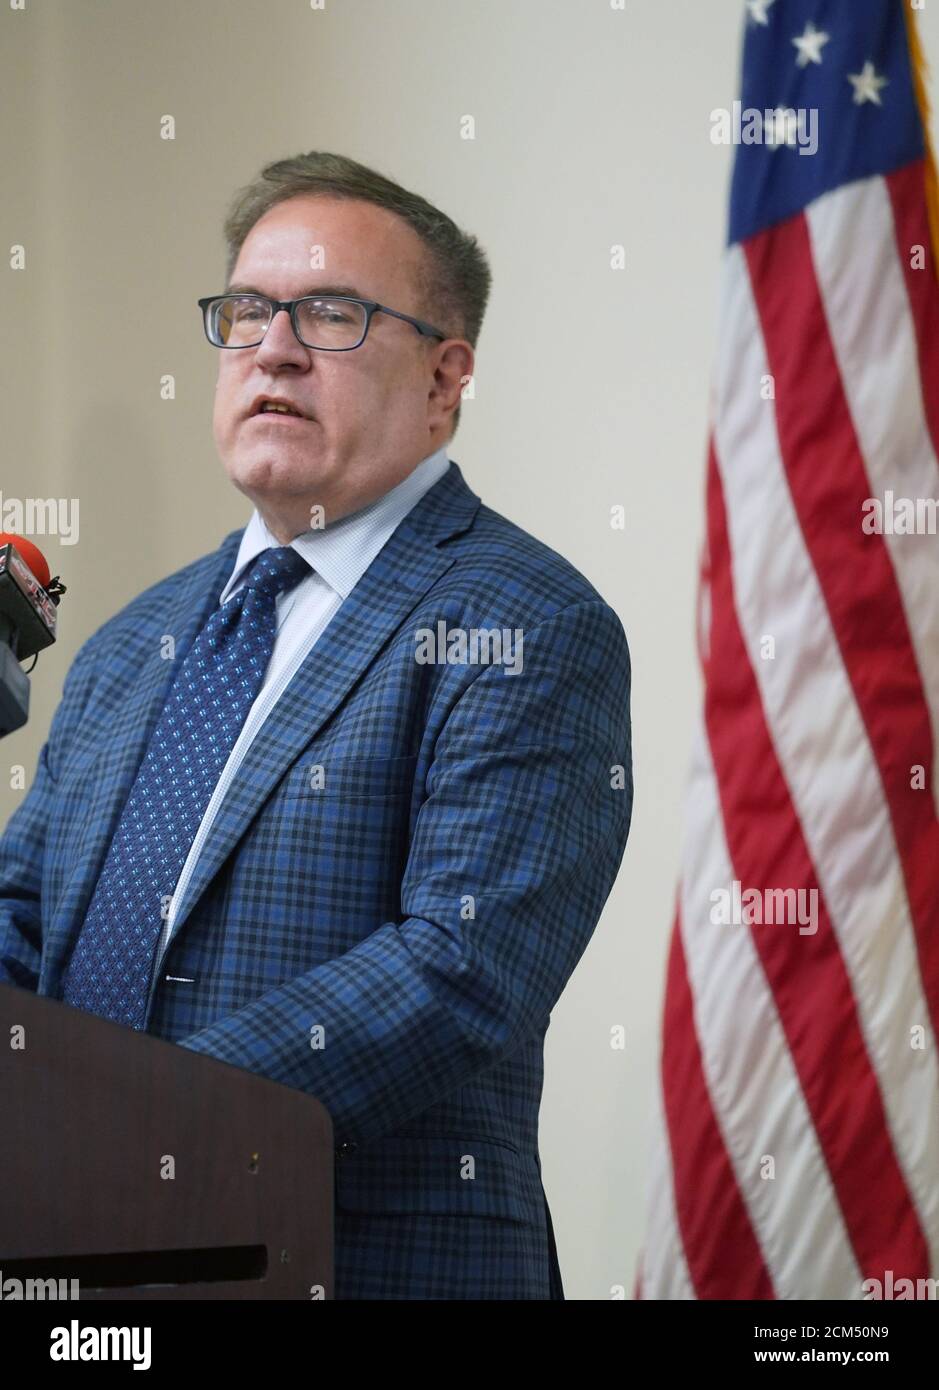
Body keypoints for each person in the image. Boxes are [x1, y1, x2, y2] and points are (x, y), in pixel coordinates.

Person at [0, 151, 633, 1300]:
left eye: (330, 314)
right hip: (77, 1276)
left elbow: (459, 967)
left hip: (356, 1268)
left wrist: (127, 1130)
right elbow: (25, 919)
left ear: (447, 380)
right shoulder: (135, 637)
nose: (273, 348)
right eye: (246, 312)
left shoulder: (527, 619)